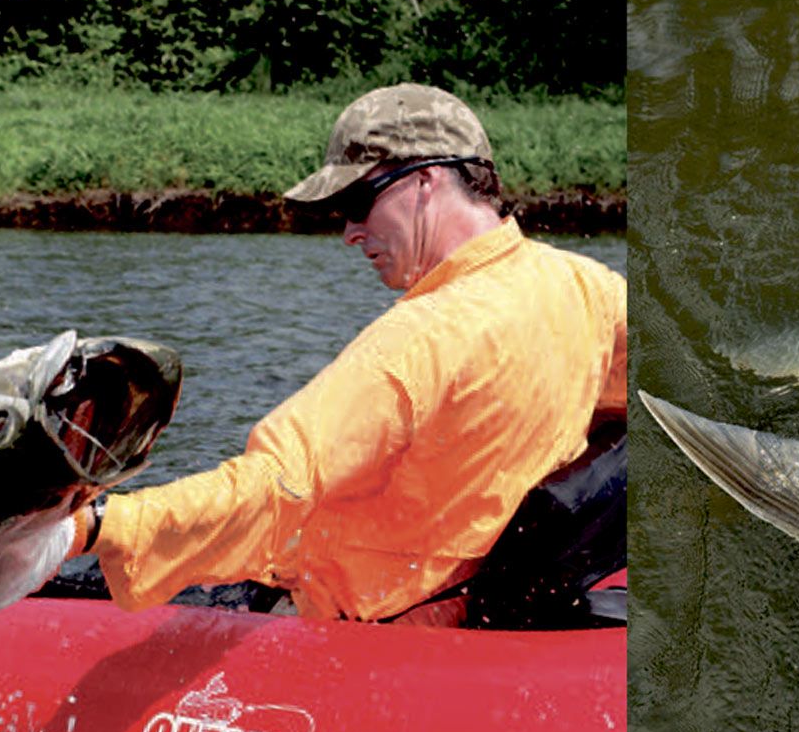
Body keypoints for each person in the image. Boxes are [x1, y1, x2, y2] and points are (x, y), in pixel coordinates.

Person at [64, 83, 627, 625]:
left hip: (353, 620)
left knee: (67, 579)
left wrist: (94, 527)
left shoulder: (421, 339)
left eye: (358, 202)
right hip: (467, 607)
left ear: (426, 181)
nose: (350, 233)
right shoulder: (592, 291)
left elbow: (277, 484)